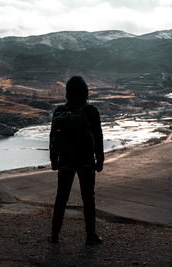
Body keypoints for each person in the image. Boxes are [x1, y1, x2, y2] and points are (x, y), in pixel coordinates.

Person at [49, 76, 104, 245]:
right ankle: (90, 235)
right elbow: (98, 136)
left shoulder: (59, 111)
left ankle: (54, 235)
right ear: (85, 91)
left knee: (61, 198)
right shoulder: (91, 111)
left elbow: (52, 136)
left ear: (67, 92)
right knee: (88, 198)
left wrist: (53, 159)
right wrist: (99, 159)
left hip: (65, 160)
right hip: (86, 160)